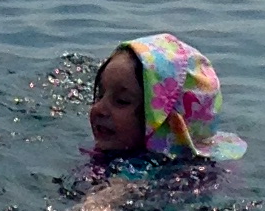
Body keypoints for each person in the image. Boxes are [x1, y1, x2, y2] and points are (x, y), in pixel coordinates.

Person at [86, 36, 249, 170]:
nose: (98, 108)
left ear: (168, 124)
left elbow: (115, 193)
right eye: (100, 95)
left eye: (122, 101)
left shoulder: (137, 173)